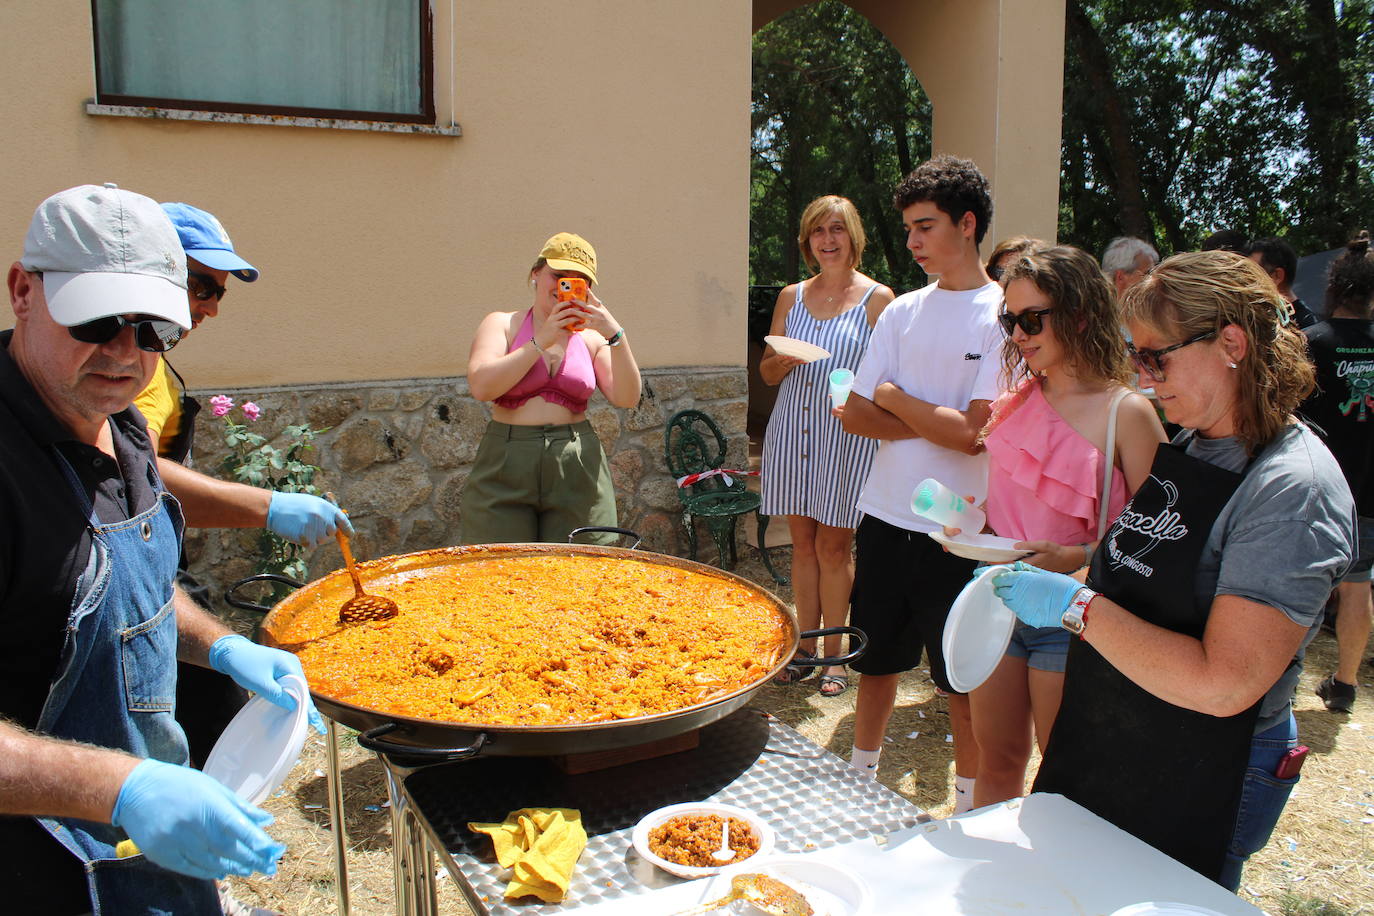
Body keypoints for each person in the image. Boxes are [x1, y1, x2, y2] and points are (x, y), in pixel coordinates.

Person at [1, 183, 323, 914]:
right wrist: (122, 787)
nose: (125, 354)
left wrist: (220, 647)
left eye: (155, 331)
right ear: (24, 290)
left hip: (148, 862)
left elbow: (127, 583)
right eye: (99, 319)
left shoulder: (123, 425)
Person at [991, 250, 1355, 889]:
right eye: (1136, 355)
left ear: (1232, 343)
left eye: (1157, 355)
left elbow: (1225, 684)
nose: (1144, 374)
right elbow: (1137, 577)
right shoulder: (1189, 445)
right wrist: (1055, 582)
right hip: (1131, 735)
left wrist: (1075, 609)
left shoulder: (1292, 490)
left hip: (1212, 765)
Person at [134, 202, 350, 769]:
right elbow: (135, 474)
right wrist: (267, 505)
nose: (208, 306)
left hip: (152, 560)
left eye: (218, 292)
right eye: (199, 284)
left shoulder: (148, 358)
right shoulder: (117, 361)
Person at [963, 246, 1164, 808]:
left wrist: (1074, 554)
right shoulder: (1013, 401)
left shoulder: (1127, 411)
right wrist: (963, 525)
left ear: (1078, 314)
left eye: (1033, 318)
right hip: (995, 598)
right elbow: (1003, 508)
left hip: (1076, 612)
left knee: (1065, 778)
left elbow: (1161, 537)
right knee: (996, 760)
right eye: (1010, 320)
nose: (1019, 334)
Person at [840, 155, 1003, 812]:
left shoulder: (1004, 316)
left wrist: (896, 399)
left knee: (958, 680)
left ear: (967, 225)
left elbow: (975, 434)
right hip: (883, 515)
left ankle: (968, 807)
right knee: (873, 664)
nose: (910, 242)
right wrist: (933, 418)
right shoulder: (901, 311)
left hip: (958, 531)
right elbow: (853, 412)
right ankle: (855, 782)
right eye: (907, 228)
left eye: (924, 226)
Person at [760, 195, 894, 697]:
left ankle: (835, 656)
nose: (827, 240)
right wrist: (781, 362)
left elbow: (891, 373)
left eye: (836, 229)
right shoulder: (791, 297)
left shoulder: (879, 299)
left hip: (847, 434)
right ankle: (805, 646)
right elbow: (768, 372)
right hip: (793, 428)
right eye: (818, 231)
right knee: (801, 545)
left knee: (835, 546)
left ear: (853, 237)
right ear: (807, 241)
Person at [463, 232, 641, 544]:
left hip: (577, 463)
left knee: (582, 566)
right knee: (503, 572)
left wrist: (615, 333)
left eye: (579, 280)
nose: (564, 287)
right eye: (558, 276)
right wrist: (541, 340)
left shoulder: (591, 339)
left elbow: (627, 397)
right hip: (506, 462)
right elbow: (481, 386)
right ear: (536, 274)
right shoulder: (503, 324)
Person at [1301, 231, 1374, 712]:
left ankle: (1282, 677)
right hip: (1369, 490)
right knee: (1358, 586)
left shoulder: (1312, 343)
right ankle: (1345, 684)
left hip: (1316, 493)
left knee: (1302, 586)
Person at [1247, 236, 1318, 329]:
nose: (1246, 280)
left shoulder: (1307, 326)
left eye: (1252, 273)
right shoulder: (1255, 318)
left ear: (1277, 276)